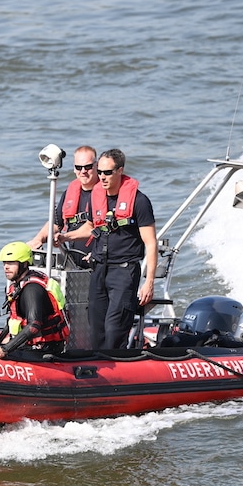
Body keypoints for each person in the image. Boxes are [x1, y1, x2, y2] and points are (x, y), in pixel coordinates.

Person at [87, 148, 157, 349]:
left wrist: (149, 282)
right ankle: (96, 371)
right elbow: (93, 227)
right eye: (99, 172)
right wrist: (64, 235)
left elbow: (151, 242)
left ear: (120, 170)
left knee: (114, 329)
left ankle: (117, 369)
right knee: (96, 329)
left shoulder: (140, 201)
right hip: (100, 269)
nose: (102, 177)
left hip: (124, 272)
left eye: (107, 172)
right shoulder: (97, 195)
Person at [0, 241, 70, 358]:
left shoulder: (31, 289)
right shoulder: (17, 286)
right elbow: (13, 321)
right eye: (4, 263)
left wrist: (5, 349)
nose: (6, 267)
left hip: (44, 348)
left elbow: (34, 326)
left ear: (24, 264)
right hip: (30, 344)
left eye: (11, 263)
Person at [28, 144, 99, 266]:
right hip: (72, 262)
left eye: (88, 167)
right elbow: (56, 223)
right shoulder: (70, 192)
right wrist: (38, 239)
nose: (83, 171)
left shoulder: (105, 193)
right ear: (74, 168)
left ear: (96, 166)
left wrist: (65, 237)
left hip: (96, 261)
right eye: (79, 167)